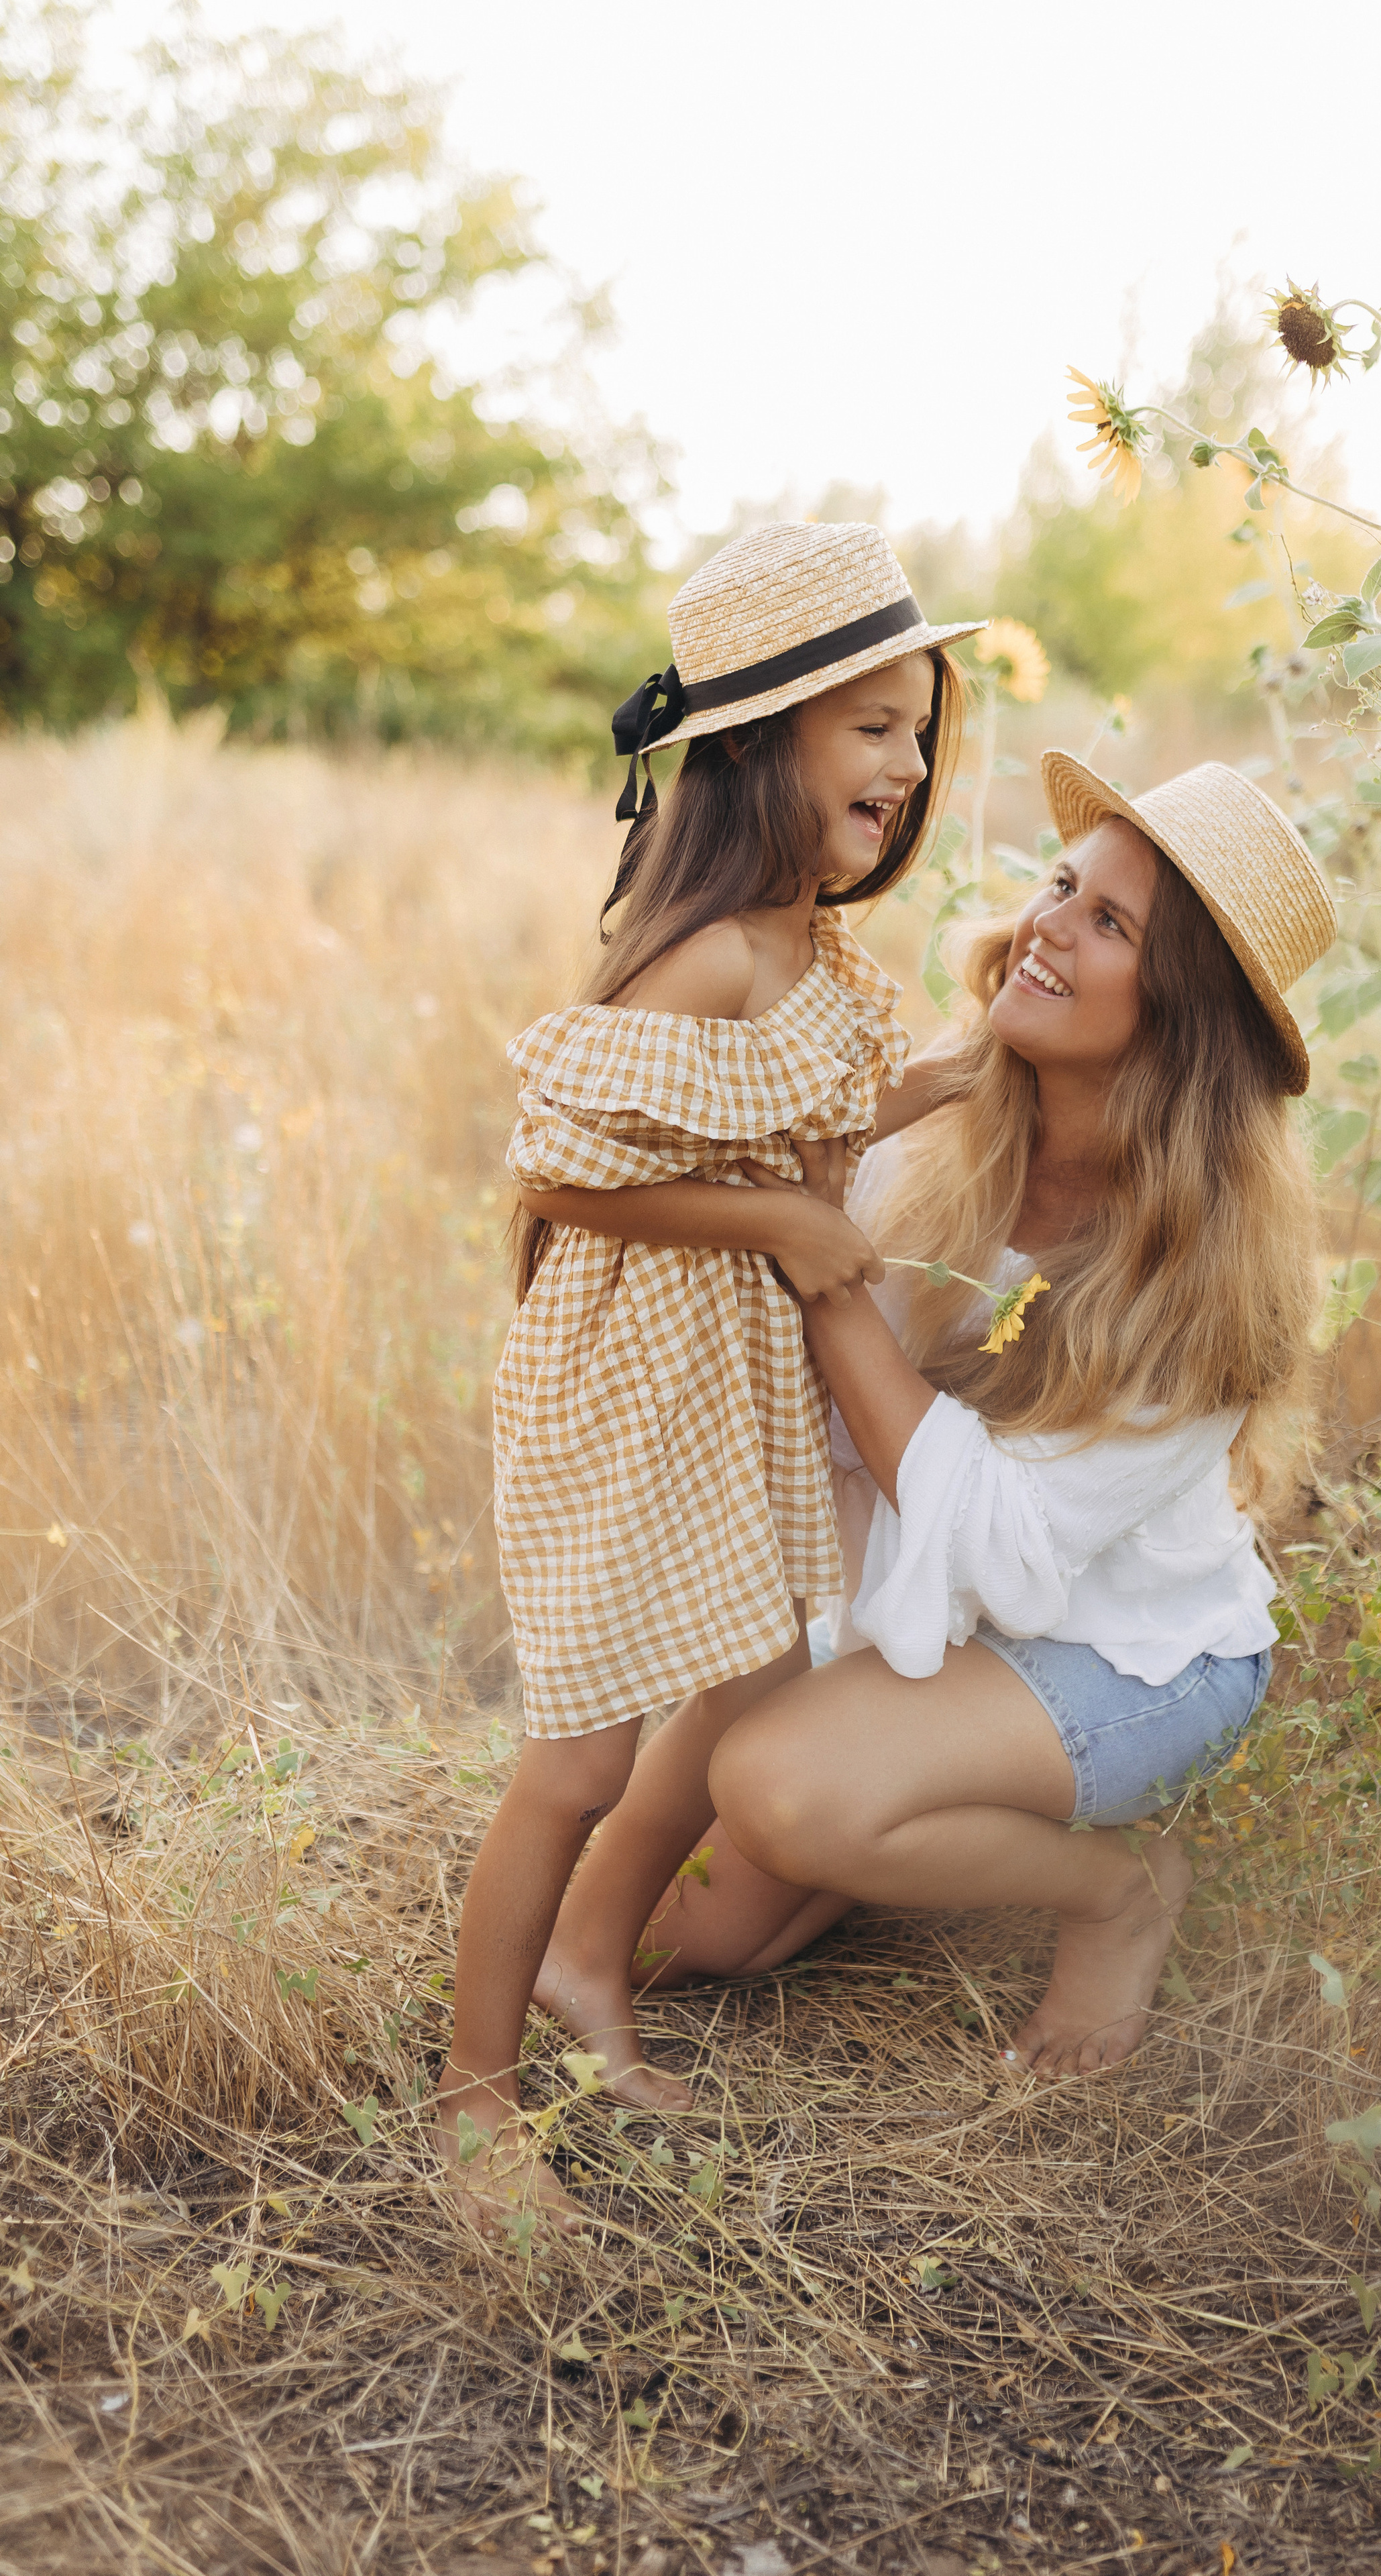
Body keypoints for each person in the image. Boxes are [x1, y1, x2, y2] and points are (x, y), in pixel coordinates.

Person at [600, 751, 1337, 2080]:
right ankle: (888, 1808)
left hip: (1116, 1653)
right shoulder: (936, 1144)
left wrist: (826, 1279)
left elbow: (1003, 1550)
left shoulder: (1203, 1281)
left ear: (1180, 1017)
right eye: (1062, 885)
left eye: (1107, 924)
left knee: (779, 1784)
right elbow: (811, 1411)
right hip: (944, 1612)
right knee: (683, 1940)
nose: (1045, 925)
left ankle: (1113, 1891)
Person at [437, 522, 982, 2225]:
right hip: (624, 1392)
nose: (905, 765)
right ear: (758, 747)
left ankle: (587, 1970)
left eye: (915, 729)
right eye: (870, 728)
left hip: (713, 1389)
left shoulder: (805, 947)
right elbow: (552, 1165)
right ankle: (472, 2103)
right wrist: (779, 1236)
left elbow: (800, 1106)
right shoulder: (717, 953)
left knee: (742, 1667)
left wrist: (952, 1078)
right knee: (580, 1758)